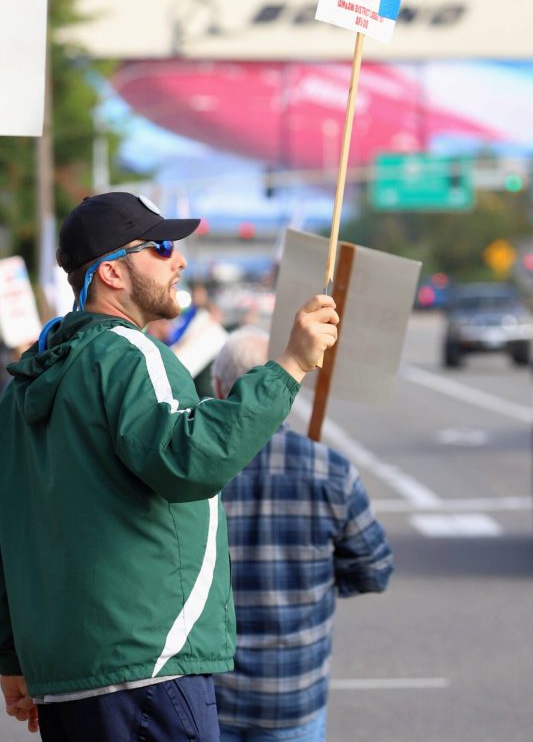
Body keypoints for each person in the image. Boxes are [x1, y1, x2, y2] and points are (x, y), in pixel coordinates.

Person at [0, 191, 338, 741]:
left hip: (66, 673)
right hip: (147, 667)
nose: (179, 259)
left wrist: (12, 655)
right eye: (160, 247)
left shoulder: (23, 386)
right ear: (111, 272)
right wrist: (292, 363)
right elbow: (189, 460)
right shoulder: (129, 354)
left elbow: (9, 528)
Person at [211, 326, 393, 742]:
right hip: (292, 694)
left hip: (211, 695)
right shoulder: (332, 471)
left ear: (219, 388)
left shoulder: (190, 471)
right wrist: (318, 584)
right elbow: (375, 569)